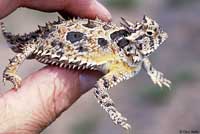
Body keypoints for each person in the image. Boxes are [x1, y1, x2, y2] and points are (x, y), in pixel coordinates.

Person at [0, 0, 111, 133]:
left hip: (70, 41)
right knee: (29, 47)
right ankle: (8, 72)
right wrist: (10, 71)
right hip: (46, 40)